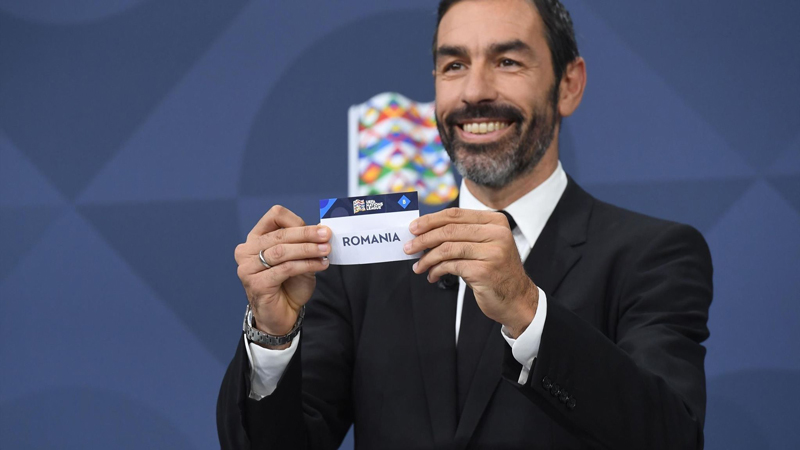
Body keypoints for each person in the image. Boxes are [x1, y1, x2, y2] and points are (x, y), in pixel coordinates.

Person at [217, 0, 713, 448]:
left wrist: (527, 310)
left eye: (507, 61)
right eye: (454, 65)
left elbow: (671, 436)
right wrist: (273, 337)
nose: (475, 92)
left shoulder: (654, 256)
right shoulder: (365, 262)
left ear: (569, 84)